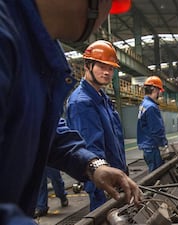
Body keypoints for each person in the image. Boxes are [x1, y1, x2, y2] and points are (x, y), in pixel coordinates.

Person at [0, 1, 141, 224]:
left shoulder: (35, 51)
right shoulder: (8, 38)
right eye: (107, 5)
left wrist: (92, 165)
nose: (103, 21)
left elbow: (50, 129)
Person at [66, 40, 128, 211]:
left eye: (111, 68)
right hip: (104, 183)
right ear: (88, 65)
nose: (107, 72)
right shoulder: (82, 103)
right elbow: (91, 148)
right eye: (101, 66)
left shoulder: (102, 98)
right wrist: (104, 179)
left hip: (115, 175)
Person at [137, 76, 169, 172]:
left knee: (153, 172)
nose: (160, 94)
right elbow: (156, 130)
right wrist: (163, 146)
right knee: (157, 174)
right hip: (153, 147)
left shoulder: (144, 104)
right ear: (155, 89)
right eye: (159, 91)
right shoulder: (151, 107)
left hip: (147, 146)